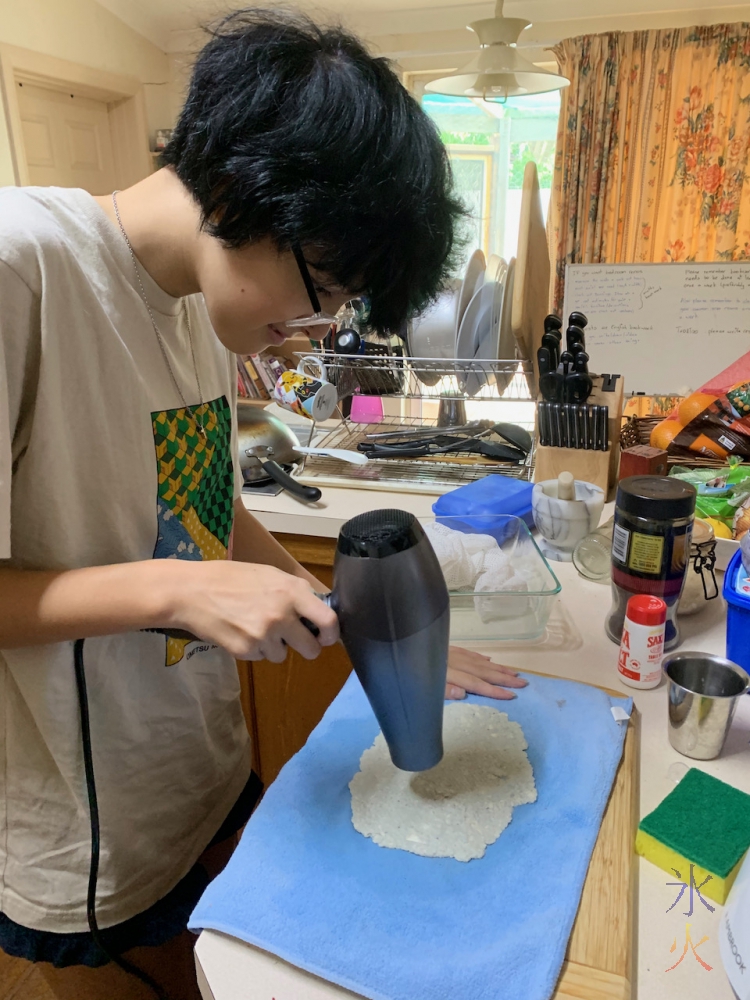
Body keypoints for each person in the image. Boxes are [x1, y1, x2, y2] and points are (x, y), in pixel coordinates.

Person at [0, 8, 526, 998]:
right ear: (245, 188)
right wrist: (173, 591)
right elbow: (172, 571)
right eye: (323, 285)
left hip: (201, 776)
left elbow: (206, 505)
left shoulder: (196, 306)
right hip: (87, 835)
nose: (319, 324)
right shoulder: (21, 266)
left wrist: (387, 633)